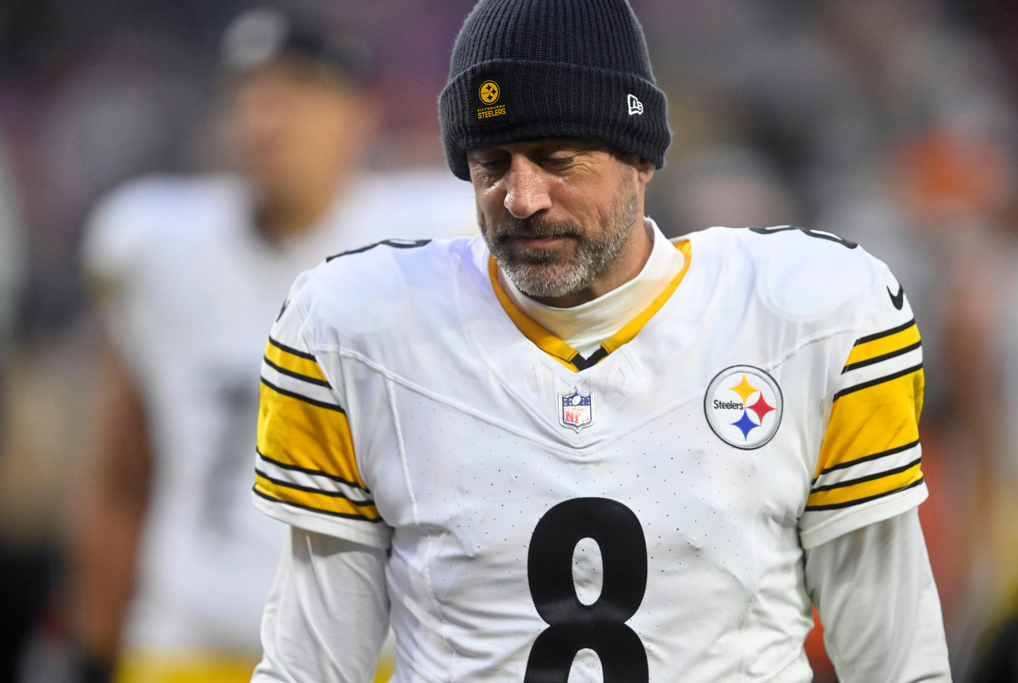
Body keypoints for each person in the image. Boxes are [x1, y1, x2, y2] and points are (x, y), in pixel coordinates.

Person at [249, 0, 952, 680]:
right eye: (492, 162)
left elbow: (893, 660)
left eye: (557, 157)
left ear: (640, 158)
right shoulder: (360, 329)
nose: (521, 197)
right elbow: (311, 665)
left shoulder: (809, 317)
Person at [71, 6, 475, 683]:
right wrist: (88, 643)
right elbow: (121, 472)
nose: (267, 118)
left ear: (358, 114)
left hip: (371, 651)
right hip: (186, 645)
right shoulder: (154, 244)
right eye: (250, 93)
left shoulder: (434, 241)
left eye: (297, 94)